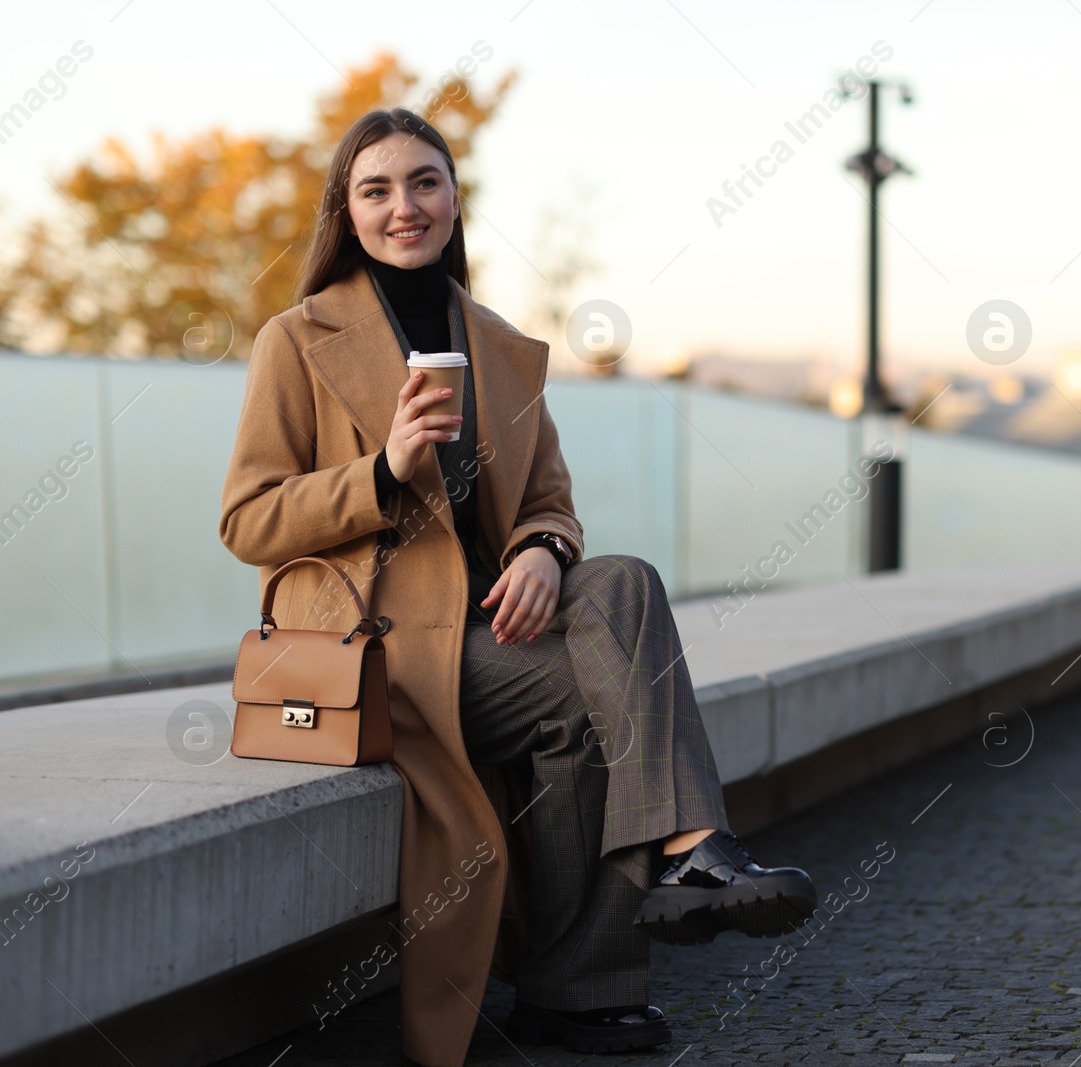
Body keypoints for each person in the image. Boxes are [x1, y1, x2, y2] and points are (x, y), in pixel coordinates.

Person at [218, 107, 816, 1064]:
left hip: (491, 636)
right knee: (589, 691)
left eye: (425, 182)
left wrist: (542, 550)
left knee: (621, 590)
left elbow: (551, 501)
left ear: (456, 198)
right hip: (382, 652)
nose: (404, 206)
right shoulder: (296, 339)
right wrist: (385, 467)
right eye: (376, 189)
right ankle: (640, 914)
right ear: (348, 210)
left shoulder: (500, 347)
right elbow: (248, 519)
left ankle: (633, 925)